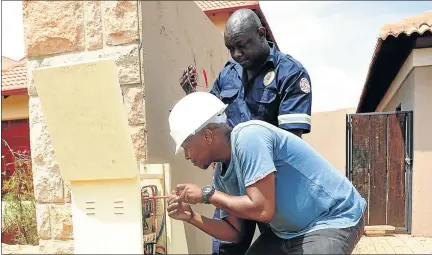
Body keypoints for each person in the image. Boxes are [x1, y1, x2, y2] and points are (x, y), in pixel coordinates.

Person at [179, 9, 313, 254]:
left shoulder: (290, 74)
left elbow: (291, 144)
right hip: (230, 182)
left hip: (269, 187)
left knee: (278, 249)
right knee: (226, 248)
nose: (236, 54)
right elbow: (210, 121)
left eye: (241, 46)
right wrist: (193, 98)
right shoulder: (229, 73)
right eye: (231, 48)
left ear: (261, 34)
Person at [167, 92, 366, 255]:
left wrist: (206, 195)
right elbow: (234, 232)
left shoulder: (249, 137)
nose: (186, 155)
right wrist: (191, 216)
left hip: (333, 218)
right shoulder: (221, 173)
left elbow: (262, 209)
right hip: (287, 233)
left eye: (187, 147)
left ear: (208, 135)